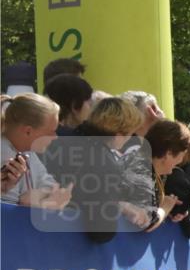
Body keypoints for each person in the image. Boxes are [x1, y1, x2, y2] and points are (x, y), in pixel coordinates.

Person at [45, 97, 147, 241]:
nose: (130, 139)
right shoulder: (105, 163)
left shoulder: (57, 141)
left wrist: (119, 205)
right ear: (119, 134)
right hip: (67, 247)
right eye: (131, 133)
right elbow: (102, 231)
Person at [1, 93, 72, 209]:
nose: (55, 137)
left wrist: (36, 196)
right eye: (51, 131)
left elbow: (50, 184)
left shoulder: (28, 152)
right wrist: (44, 203)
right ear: (28, 131)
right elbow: (7, 212)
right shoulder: (4, 155)